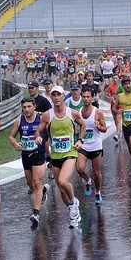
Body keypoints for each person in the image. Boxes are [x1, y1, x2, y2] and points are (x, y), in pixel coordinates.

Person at [35, 86, 86, 229]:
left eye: (59, 94)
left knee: (64, 181)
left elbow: (82, 125)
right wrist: (38, 138)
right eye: (54, 95)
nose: (56, 97)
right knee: (61, 189)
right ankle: (73, 210)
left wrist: (80, 140)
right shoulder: (47, 115)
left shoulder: (73, 113)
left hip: (70, 152)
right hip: (55, 154)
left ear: (64, 96)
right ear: (51, 97)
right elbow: (38, 132)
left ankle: (74, 204)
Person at [9, 97, 50, 224]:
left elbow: (50, 134)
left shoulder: (42, 119)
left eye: (29, 107)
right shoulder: (19, 120)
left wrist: (48, 148)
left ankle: (36, 213)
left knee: (37, 182)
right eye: (24, 107)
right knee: (31, 185)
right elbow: (11, 136)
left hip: (39, 153)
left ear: (34, 106)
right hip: (26, 155)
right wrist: (15, 143)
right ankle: (42, 191)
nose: (26, 109)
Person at [76, 88, 109, 204]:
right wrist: (76, 130)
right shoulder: (79, 112)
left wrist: (99, 126)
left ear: (91, 97)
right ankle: (88, 181)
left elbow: (105, 129)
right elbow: (77, 127)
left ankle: (98, 192)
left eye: (88, 97)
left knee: (96, 172)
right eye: (84, 97)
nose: (85, 99)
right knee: (79, 168)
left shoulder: (97, 112)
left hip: (96, 146)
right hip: (84, 146)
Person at [105, 74, 122, 142]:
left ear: (118, 79)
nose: (115, 79)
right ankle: (119, 130)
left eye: (116, 78)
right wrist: (111, 98)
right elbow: (106, 95)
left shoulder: (121, 87)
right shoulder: (110, 87)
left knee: (118, 119)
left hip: (120, 106)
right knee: (116, 121)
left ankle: (117, 134)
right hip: (113, 106)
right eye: (114, 78)